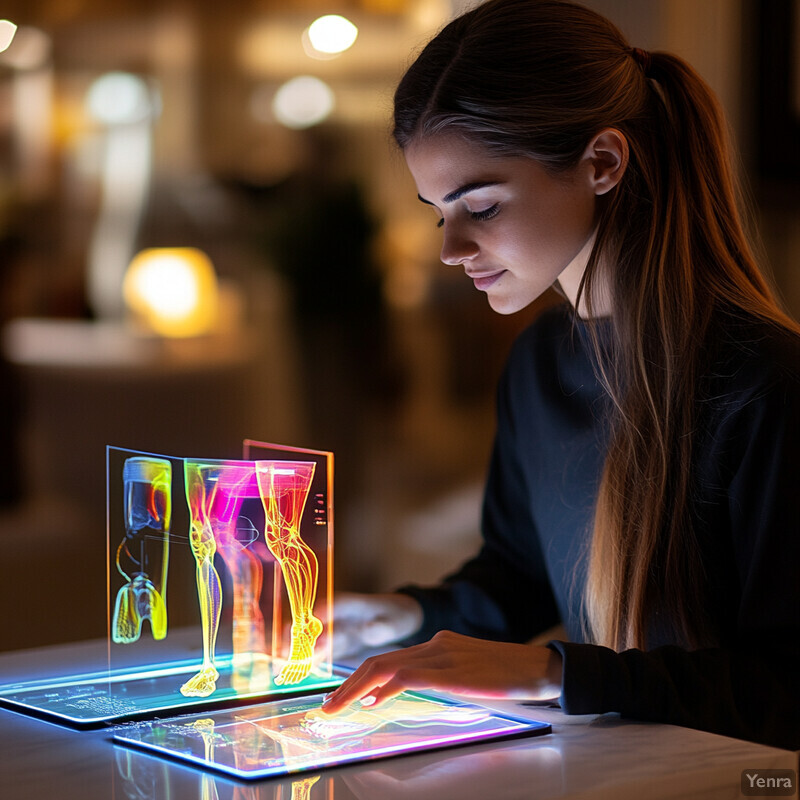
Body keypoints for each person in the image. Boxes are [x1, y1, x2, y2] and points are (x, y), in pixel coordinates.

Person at [320, 0, 800, 751]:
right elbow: (521, 575)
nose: (451, 247)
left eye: (480, 203)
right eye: (438, 211)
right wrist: (396, 616)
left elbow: (786, 687)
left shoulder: (766, 384)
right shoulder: (539, 363)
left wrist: (554, 673)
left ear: (603, 163)